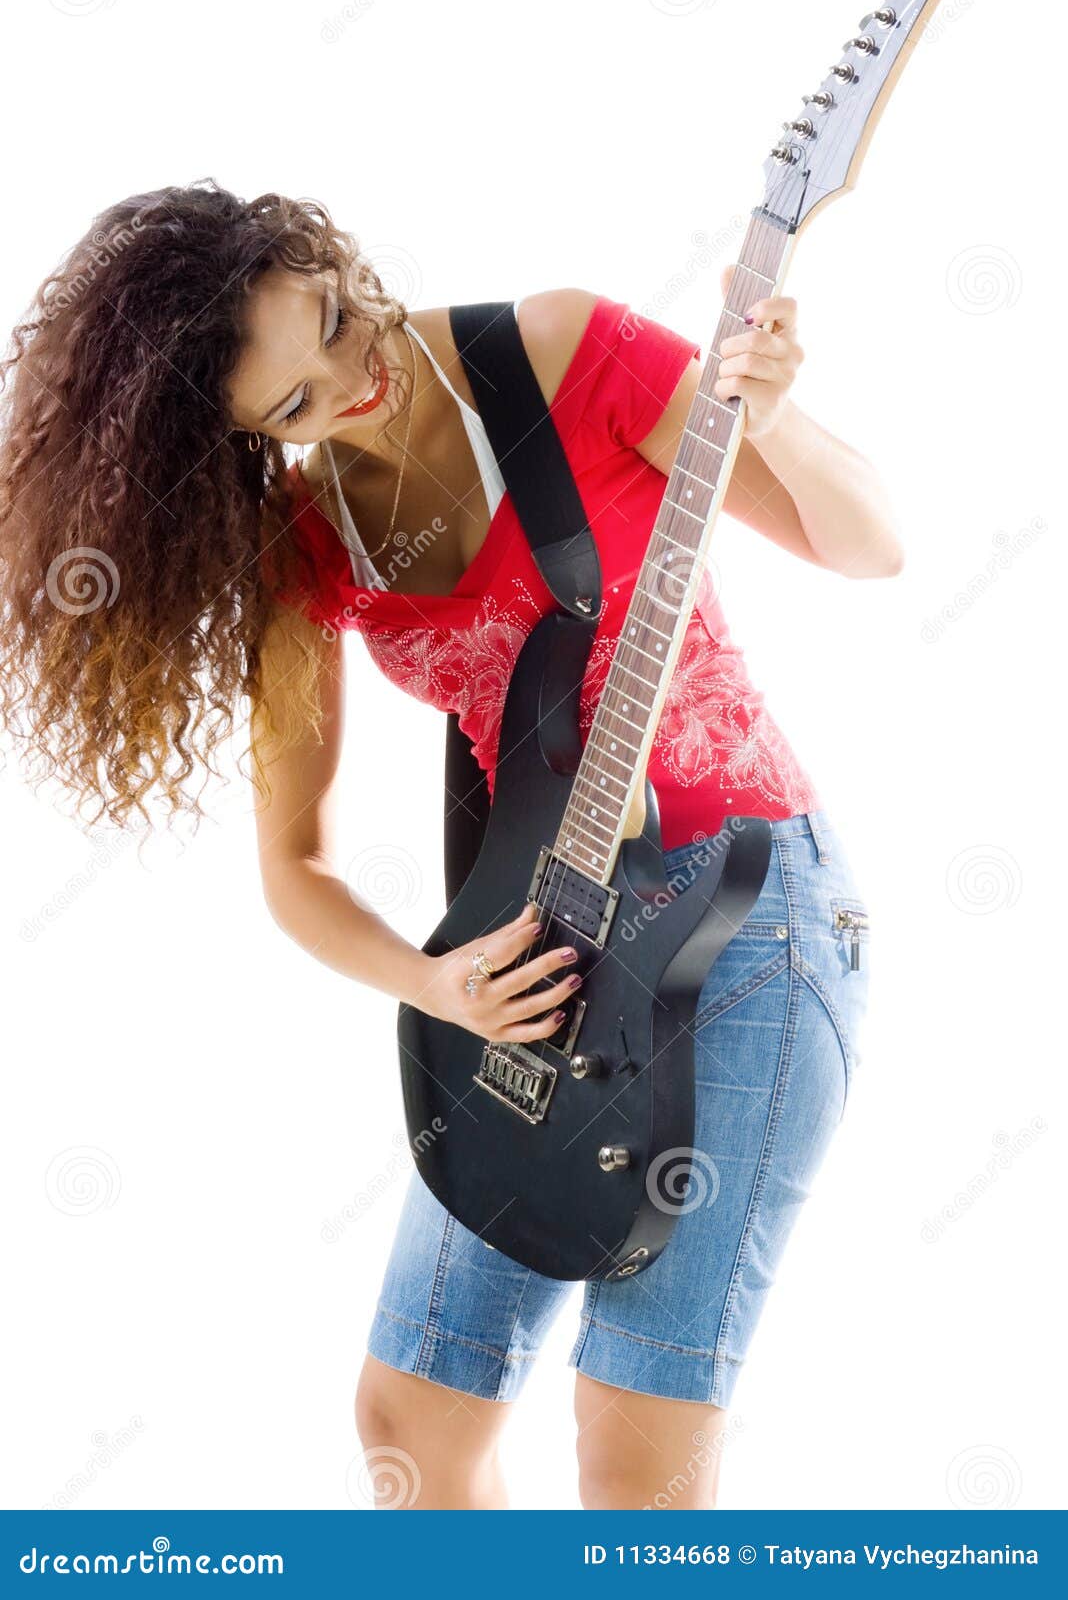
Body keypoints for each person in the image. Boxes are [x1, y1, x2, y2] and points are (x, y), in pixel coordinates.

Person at [0, 181, 902, 1511]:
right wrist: (435, 984)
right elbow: (293, 865)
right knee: (410, 1410)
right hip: (539, 969)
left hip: (752, 929)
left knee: (635, 1444)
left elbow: (871, 543)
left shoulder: (563, 347)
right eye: (294, 404)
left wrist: (767, 409)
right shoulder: (309, 545)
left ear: (336, 264)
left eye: (341, 326)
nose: (353, 384)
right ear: (242, 439)